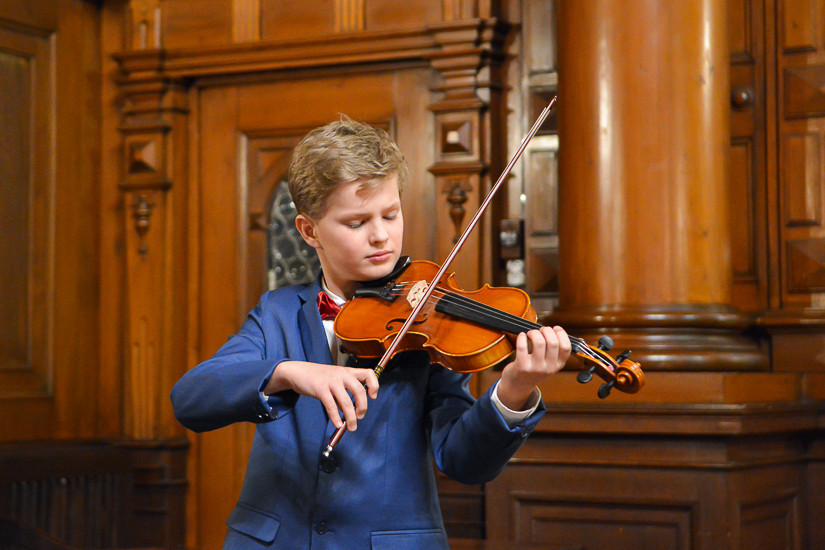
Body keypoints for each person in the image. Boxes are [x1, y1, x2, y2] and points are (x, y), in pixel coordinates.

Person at [171, 117, 572, 549]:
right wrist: (289, 372)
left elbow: (465, 462)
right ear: (309, 231)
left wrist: (514, 390)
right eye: (356, 223)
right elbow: (191, 398)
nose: (381, 236)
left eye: (391, 214)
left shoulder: (428, 326)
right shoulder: (277, 313)